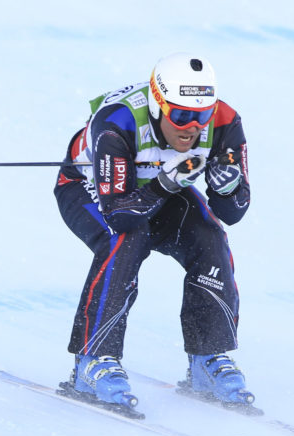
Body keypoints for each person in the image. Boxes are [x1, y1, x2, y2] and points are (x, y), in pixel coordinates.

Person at [53, 53, 253, 411]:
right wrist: (164, 183)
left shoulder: (224, 120)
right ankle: (92, 360)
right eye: (181, 116)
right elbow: (119, 216)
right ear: (158, 105)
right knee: (126, 240)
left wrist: (228, 190)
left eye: (202, 116)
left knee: (210, 235)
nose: (192, 128)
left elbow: (233, 213)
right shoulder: (117, 123)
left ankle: (207, 356)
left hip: (161, 187)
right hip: (90, 189)